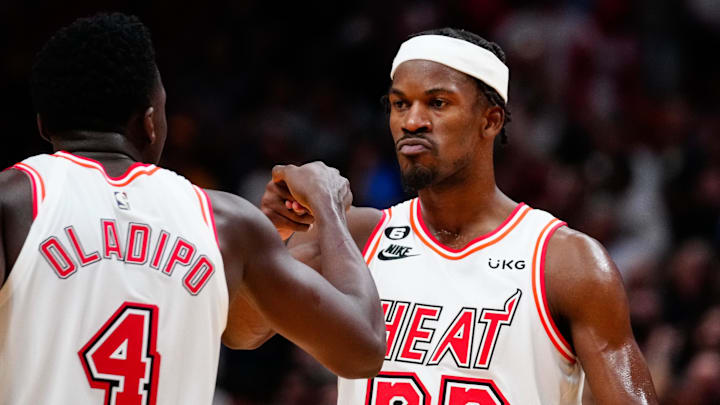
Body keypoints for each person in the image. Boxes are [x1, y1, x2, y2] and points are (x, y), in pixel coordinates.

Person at [0, 13, 385, 404]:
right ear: (150, 122)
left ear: (44, 125)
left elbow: (241, 330)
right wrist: (328, 205)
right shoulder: (227, 222)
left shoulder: (12, 201)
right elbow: (363, 349)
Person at [261, 28, 659, 404]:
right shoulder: (356, 236)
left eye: (437, 103)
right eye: (400, 104)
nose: (411, 121)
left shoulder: (565, 262)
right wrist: (272, 236)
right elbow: (243, 331)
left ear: (491, 120)